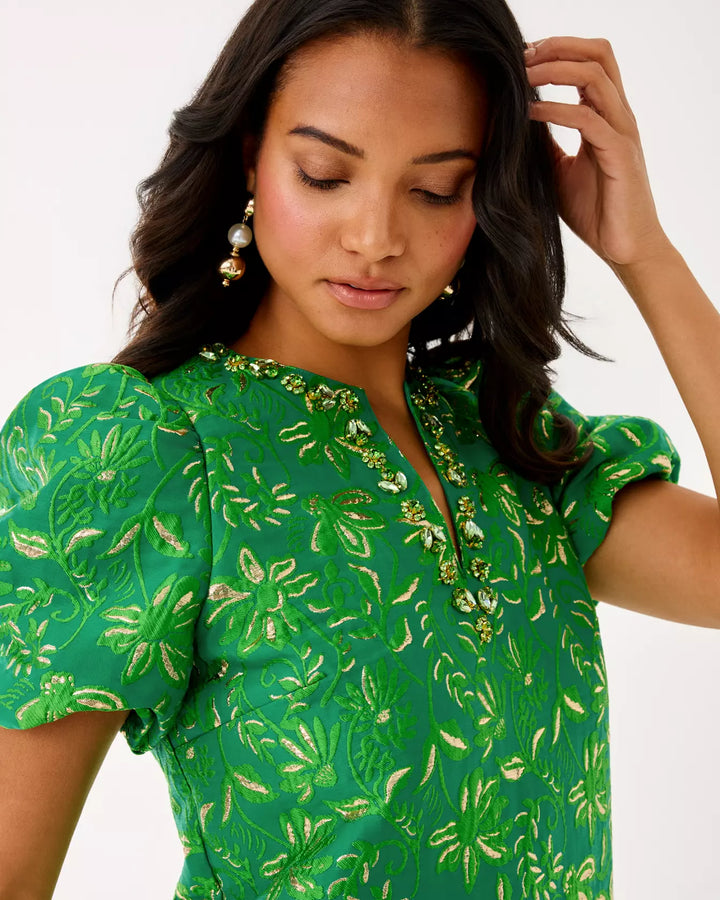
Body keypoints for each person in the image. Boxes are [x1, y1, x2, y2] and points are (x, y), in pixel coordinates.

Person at [0, 0, 718, 897]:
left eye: (434, 188)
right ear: (250, 162)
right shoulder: (146, 449)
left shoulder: (513, 451)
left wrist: (644, 254)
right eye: (325, 173)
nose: (376, 238)